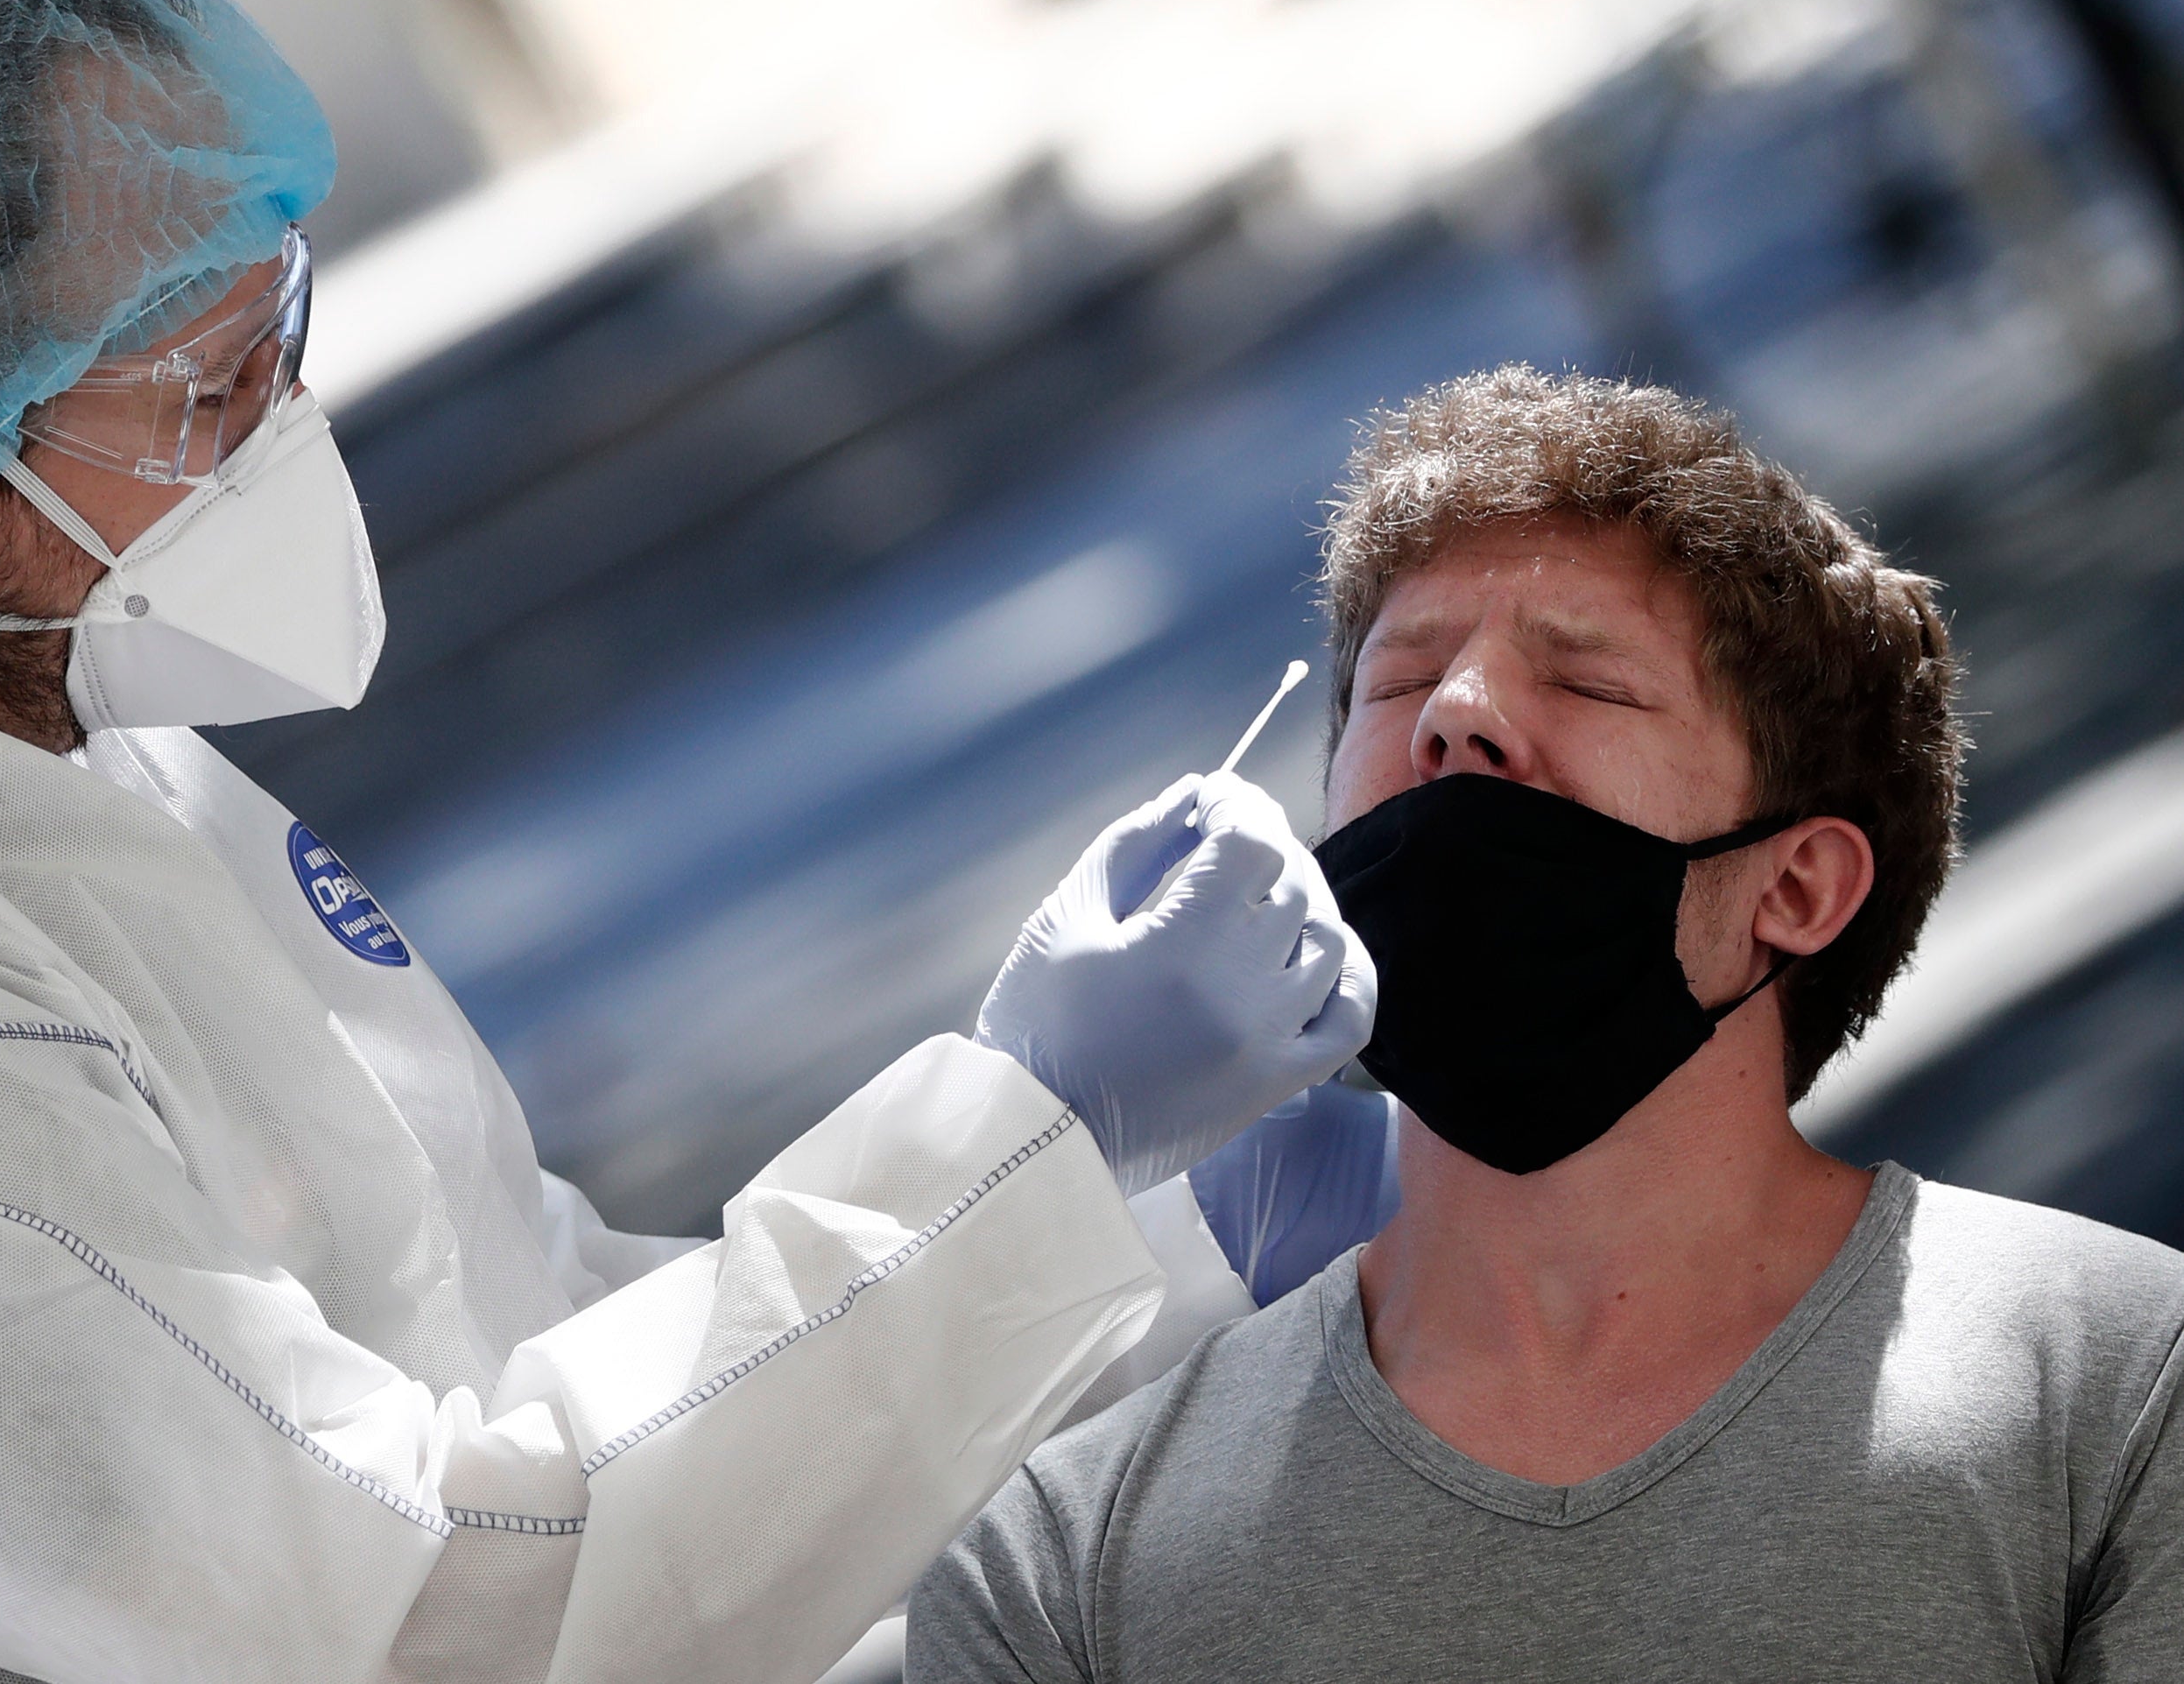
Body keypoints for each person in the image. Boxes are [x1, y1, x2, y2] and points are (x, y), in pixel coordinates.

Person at [0, 0, 1390, 1684]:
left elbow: (497, 1342)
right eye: (204, 385)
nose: (278, 433)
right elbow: (408, 1618)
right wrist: (1027, 1138)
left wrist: (1149, 1258)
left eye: (284, 328)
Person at [911, 366, 2184, 1681]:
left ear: (1795, 886)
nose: (1459, 711)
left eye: (1586, 683)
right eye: (1401, 682)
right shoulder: (1058, 1566)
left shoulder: (2115, 1387)